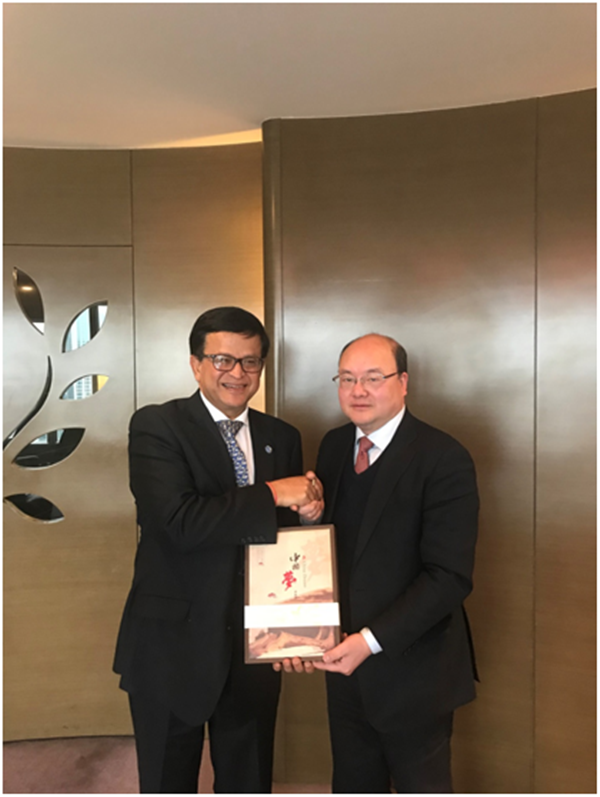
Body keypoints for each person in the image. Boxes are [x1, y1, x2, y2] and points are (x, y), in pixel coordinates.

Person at [113, 306, 322, 794]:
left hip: (254, 646)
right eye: (223, 360)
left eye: (250, 362)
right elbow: (178, 523)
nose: (237, 373)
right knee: (166, 781)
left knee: (249, 781)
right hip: (172, 645)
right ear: (196, 364)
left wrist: (308, 516)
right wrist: (273, 494)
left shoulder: (281, 437)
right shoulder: (157, 426)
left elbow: (280, 543)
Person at [278, 333, 479, 793]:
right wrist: (311, 520)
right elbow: (336, 545)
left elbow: (449, 576)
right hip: (342, 664)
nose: (358, 390)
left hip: (414, 668)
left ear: (403, 382)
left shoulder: (443, 457)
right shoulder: (334, 446)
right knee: (352, 782)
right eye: (347, 379)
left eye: (373, 378)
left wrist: (369, 642)